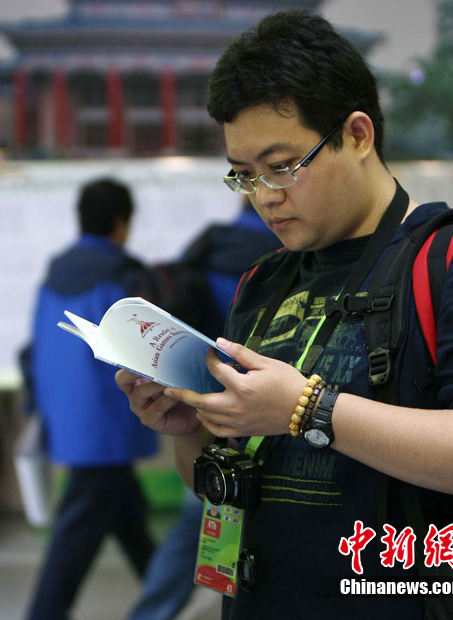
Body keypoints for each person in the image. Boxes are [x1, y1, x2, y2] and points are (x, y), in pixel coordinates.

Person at [116, 9, 453, 620]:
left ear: (357, 135)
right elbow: (222, 488)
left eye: (282, 166)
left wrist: (308, 409)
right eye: (244, 176)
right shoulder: (263, 281)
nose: (265, 196)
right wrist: (193, 429)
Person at [128, 200, 279, 620]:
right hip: (267, 415)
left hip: (202, 407)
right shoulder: (283, 259)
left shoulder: (207, 246)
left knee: (202, 517)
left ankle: (152, 613)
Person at [25, 178, 158, 620]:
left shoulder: (54, 275)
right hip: (108, 420)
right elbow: (142, 351)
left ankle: (167, 600)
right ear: (121, 223)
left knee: (128, 518)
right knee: (75, 534)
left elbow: (36, 350)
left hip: (67, 416)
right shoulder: (123, 275)